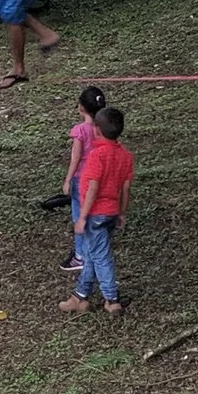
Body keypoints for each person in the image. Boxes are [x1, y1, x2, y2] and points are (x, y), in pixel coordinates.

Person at [63, 105, 132, 313]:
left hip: (96, 214)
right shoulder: (126, 156)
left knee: (101, 256)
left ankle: (111, 298)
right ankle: (79, 296)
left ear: (97, 130)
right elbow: (125, 188)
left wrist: (82, 216)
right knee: (93, 253)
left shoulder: (97, 156)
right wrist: (121, 212)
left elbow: (92, 187)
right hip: (111, 212)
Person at [60, 85, 107, 273]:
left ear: (81, 108)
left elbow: (76, 158)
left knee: (79, 216)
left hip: (81, 180)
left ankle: (80, 256)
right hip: (99, 178)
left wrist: (67, 180)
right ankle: (95, 248)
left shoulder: (80, 131)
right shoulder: (103, 129)